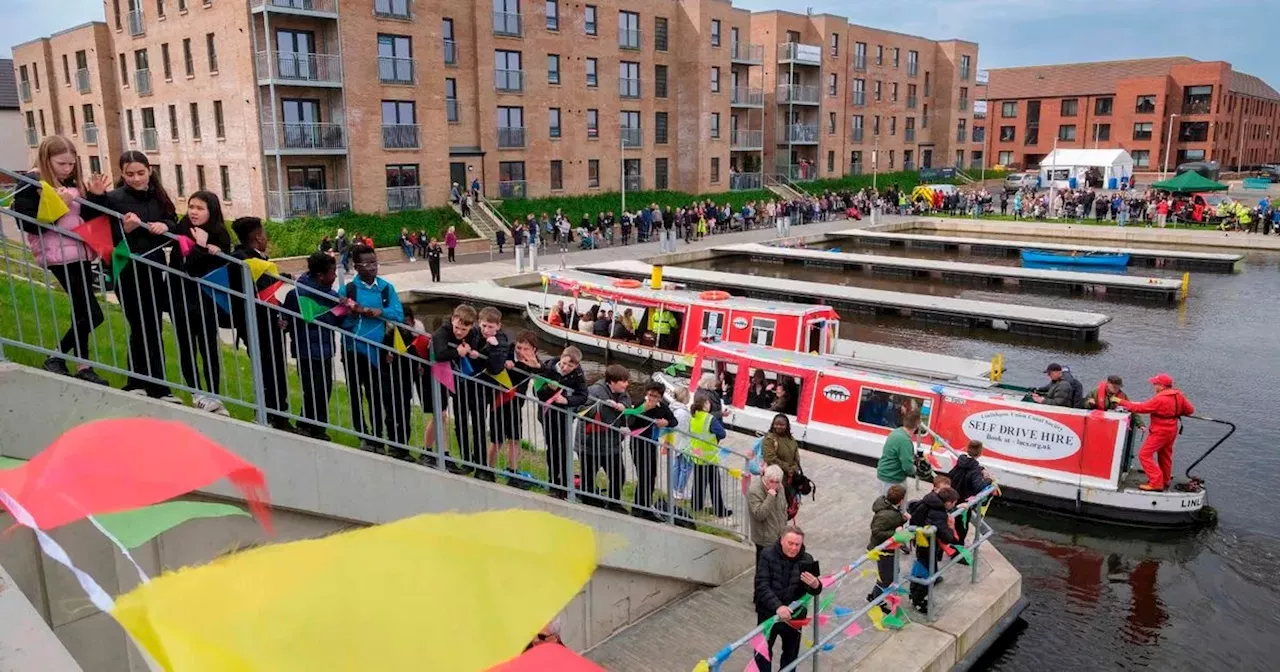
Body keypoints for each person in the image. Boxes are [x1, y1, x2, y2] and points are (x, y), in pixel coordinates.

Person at [12, 136, 107, 386]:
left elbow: (85, 216)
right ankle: (56, 357)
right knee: (93, 315)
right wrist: (59, 206)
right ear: (47, 159)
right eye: (61, 163)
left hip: (81, 251)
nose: (67, 169)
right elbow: (27, 224)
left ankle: (83, 366)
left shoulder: (72, 182)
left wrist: (95, 197)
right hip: (58, 255)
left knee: (82, 312)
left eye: (71, 164)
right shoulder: (31, 182)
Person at [84, 151, 177, 402]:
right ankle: (138, 382)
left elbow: (174, 220)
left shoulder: (159, 196)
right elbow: (94, 226)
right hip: (126, 267)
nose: (136, 179)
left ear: (149, 171)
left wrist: (166, 226)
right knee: (139, 324)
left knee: (153, 325)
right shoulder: (114, 198)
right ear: (122, 174)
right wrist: (122, 228)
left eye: (141, 173)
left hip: (154, 267)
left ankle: (156, 384)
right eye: (129, 174)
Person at [167, 191, 232, 414]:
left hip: (207, 301)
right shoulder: (182, 229)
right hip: (181, 297)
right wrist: (201, 247)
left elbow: (213, 268)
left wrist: (212, 250)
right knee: (187, 346)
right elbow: (188, 267)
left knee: (209, 347)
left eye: (200, 208)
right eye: (191, 207)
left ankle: (214, 395)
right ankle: (196, 393)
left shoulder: (220, 234)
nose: (193, 212)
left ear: (211, 211)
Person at [231, 216, 293, 432]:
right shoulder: (245, 261)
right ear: (258, 237)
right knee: (269, 368)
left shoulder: (245, 258)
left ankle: (276, 412)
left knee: (273, 368)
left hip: (265, 322)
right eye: (264, 234)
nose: (266, 238)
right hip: (258, 324)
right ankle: (274, 414)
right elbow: (260, 291)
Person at [341, 244, 405, 449]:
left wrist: (378, 312)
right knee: (355, 393)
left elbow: (399, 314)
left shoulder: (386, 288)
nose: (372, 267)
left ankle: (378, 436)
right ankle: (363, 434)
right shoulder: (349, 290)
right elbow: (340, 321)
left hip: (377, 350)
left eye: (374, 262)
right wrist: (353, 313)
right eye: (366, 264)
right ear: (356, 266)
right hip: (352, 349)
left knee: (376, 394)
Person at [281, 252, 344, 440]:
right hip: (305, 349)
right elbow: (287, 318)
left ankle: (318, 427)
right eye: (332, 273)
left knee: (324, 388)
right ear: (320, 275)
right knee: (311, 389)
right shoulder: (297, 294)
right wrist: (284, 323)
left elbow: (336, 321)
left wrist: (346, 308)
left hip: (325, 350)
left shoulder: (332, 296)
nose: (334, 277)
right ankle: (306, 424)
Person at [752, 528, 823, 671]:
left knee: (791, 657)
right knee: (762, 654)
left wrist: (816, 585)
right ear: (781, 540)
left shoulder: (807, 559)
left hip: (794, 617)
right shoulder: (767, 554)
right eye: (790, 543)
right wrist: (778, 607)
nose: (794, 548)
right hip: (769, 615)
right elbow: (761, 584)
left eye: (798, 545)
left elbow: (815, 589)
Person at [1116, 374, 1195, 491]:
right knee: (1165, 455)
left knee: (1144, 455)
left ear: (1162, 386)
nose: (1154, 386)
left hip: (1160, 431)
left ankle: (1156, 482)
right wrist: (1174, 411)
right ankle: (1165, 480)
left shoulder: (1160, 398)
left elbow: (1140, 408)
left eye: (1155, 384)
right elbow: (1190, 410)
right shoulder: (1178, 395)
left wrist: (1121, 401)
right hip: (1172, 429)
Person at [535, 346, 588, 498]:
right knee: (553, 449)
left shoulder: (578, 374)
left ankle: (564, 485)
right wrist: (549, 389)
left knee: (564, 450)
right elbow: (538, 393)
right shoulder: (549, 367)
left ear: (576, 365)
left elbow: (583, 395)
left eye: (570, 366)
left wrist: (567, 400)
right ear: (560, 358)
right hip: (548, 415)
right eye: (564, 364)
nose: (565, 368)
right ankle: (553, 483)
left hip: (565, 417)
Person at [491, 330, 540, 489]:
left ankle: (513, 472)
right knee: (497, 440)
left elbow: (544, 377)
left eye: (526, 349)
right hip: (499, 401)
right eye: (519, 348)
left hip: (516, 402)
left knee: (515, 438)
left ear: (534, 350)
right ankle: (487, 469)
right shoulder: (507, 350)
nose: (521, 352)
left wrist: (536, 367)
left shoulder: (534, 360)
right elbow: (494, 360)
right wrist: (504, 362)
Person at [579, 364, 632, 511]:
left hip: (612, 443)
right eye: (624, 381)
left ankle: (614, 502)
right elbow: (582, 410)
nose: (626, 384)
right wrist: (601, 406)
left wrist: (623, 406)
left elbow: (628, 406)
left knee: (619, 474)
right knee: (589, 474)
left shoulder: (624, 394)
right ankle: (588, 500)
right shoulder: (594, 391)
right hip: (590, 443)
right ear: (613, 382)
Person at [907, 486, 959, 614]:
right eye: (954, 504)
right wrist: (951, 527)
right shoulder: (938, 513)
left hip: (920, 541)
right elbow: (946, 536)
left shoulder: (928, 501)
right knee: (928, 572)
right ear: (948, 502)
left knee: (921, 567)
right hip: (927, 545)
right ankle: (917, 600)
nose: (953, 506)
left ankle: (914, 593)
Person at [630, 381, 677, 521]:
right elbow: (631, 422)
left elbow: (674, 421)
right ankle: (639, 507)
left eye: (655, 396)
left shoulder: (662, 407)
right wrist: (642, 411)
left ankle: (644, 506)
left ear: (660, 398)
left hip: (652, 443)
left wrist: (666, 423)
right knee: (644, 475)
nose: (651, 398)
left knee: (651, 475)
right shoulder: (640, 404)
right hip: (638, 443)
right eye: (650, 395)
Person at [689, 394, 731, 517]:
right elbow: (722, 433)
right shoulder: (709, 419)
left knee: (698, 482)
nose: (710, 405)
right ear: (704, 405)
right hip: (709, 456)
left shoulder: (693, 417)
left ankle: (696, 506)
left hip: (697, 454)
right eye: (708, 403)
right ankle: (719, 509)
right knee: (714, 484)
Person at [946, 441, 992, 547]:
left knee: (950, 522)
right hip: (964, 500)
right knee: (962, 525)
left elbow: (951, 475)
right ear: (980, 453)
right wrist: (988, 480)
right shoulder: (975, 468)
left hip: (953, 497)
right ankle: (958, 548)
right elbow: (978, 487)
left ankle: (946, 546)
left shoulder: (961, 461)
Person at [867, 483, 908, 601]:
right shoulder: (885, 514)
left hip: (889, 547)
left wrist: (902, 520)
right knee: (886, 576)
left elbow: (892, 522)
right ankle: (875, 599)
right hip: (883, 549)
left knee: (892, 572)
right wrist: (895, 533)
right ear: (900, 500)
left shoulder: (890, 509)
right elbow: (876, 532)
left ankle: (875, 596)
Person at [762, 414, 802, 517]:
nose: (778, 427)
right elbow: (770, 458)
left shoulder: (790, 439)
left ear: (787, 426)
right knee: (776, 506)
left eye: (782, 424)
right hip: (776, 479)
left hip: (790, 478)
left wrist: (794, 468)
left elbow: (796, 457)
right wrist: (787, 468)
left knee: (789, 504)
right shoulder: (770, 439)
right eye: (776, 424)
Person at [748, 464, 789, 561]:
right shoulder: (754, 491)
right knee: (763, 570)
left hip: (779, 536)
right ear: (765, 478)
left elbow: (783, 508)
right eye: (771, 482)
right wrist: (770, 497)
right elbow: (759, 515)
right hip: (764, 540)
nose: (774, 485)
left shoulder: (780, 487)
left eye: (777, 482)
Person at [876, 411, 919, 494]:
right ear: (917, 425)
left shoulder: (896, 432)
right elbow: (907, 467)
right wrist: (917, 470)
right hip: (893, 480)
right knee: (896, 506)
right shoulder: (905, 441)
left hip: (883, 475)